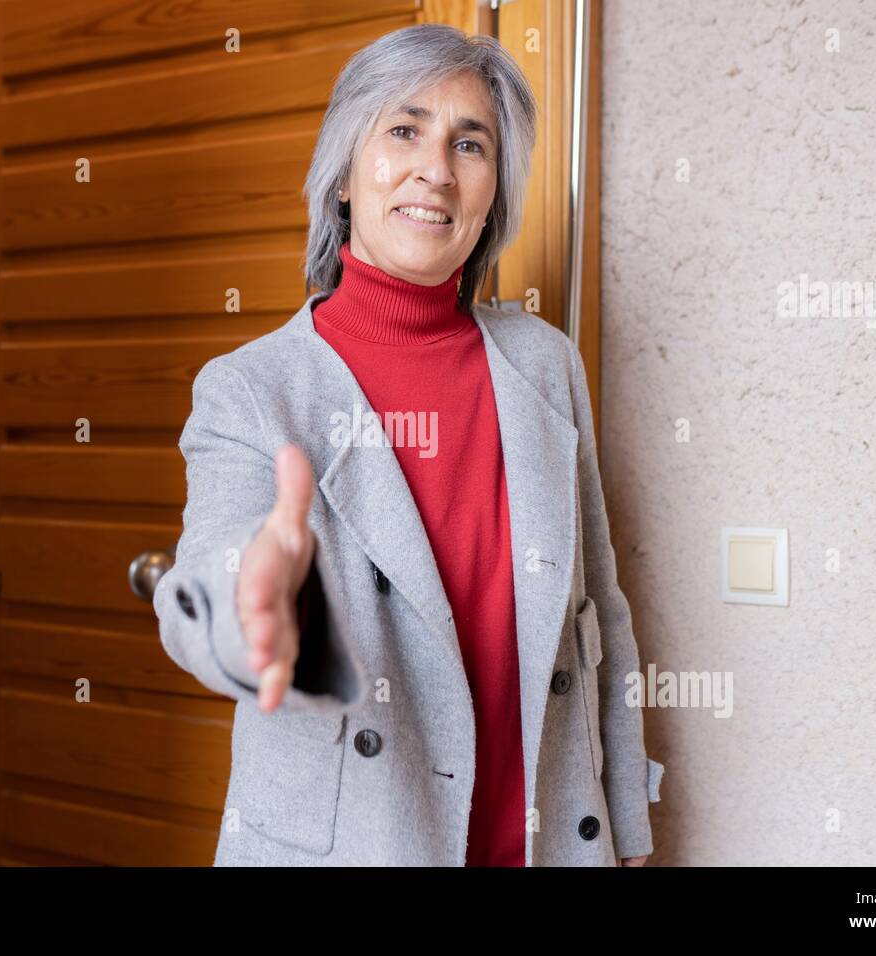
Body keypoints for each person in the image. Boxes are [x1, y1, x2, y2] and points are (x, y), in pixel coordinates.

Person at [154, 22, 662, 867]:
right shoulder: (253, 388)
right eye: (404, 130)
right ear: (345, 175)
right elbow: (211, 569)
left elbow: (599, 610)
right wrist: (255, 602)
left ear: (493, 192)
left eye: (471, 144)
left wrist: (625, 831)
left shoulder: (545, 365)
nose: (436, 168)